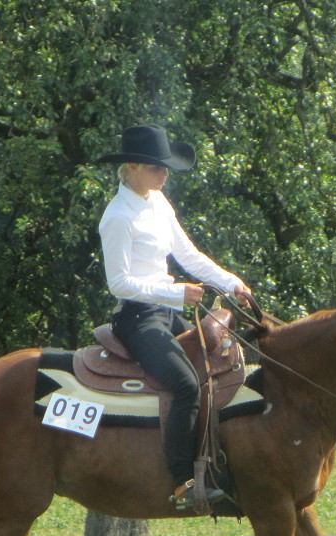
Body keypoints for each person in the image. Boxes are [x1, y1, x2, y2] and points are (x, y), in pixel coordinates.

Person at [96, 124, 252, 509]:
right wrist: (175, 293)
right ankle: (182, 481)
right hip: (137, 319)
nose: (164, 174)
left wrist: (230, 283)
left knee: (222, 361)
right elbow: (119, 284)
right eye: (155, 167)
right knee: (184, 384)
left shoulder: (158, 203)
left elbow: (188, 254)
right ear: (132, 167)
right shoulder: (117, 217)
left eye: (165, 167)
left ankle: (216, 461)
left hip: (167, 312)